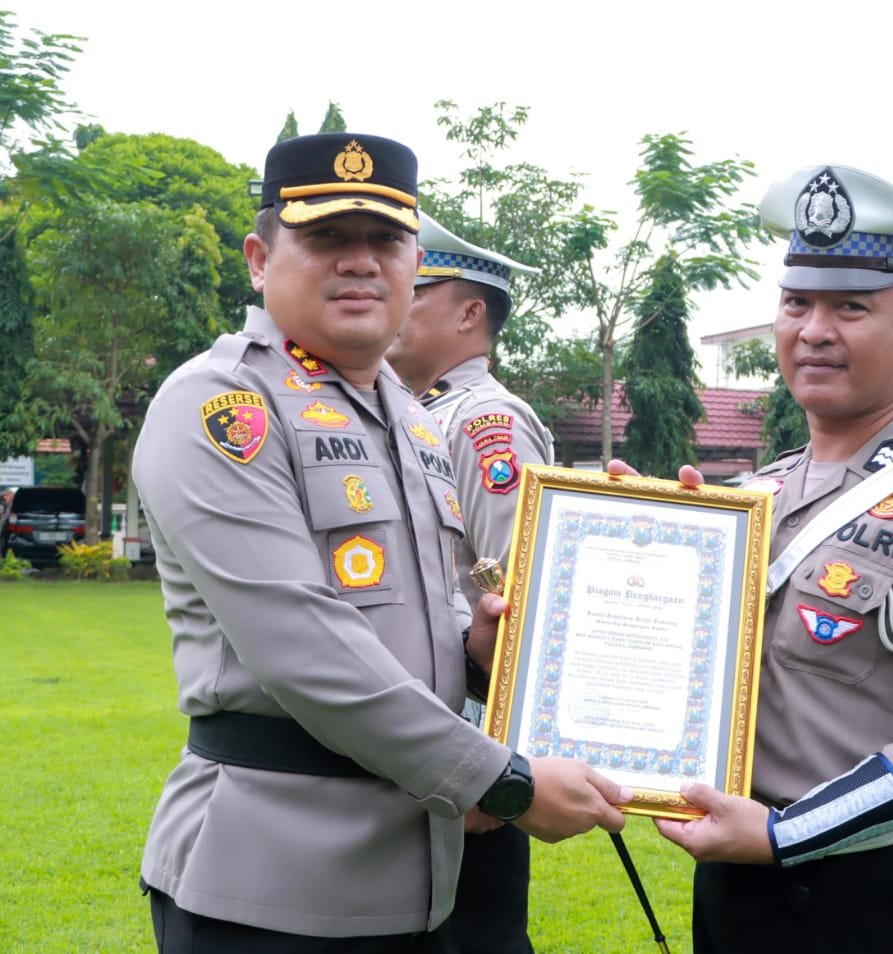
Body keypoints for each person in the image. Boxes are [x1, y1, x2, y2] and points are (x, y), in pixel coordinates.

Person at [132, 133, 627, 952]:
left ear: (413, 262)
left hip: (420, 879)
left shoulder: (411, 419)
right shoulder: (223, 404)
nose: (361, 261)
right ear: (260, 258)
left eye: (388, 240)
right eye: (327, 237)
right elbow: (302, 644)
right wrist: (503, 782)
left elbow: (414, 619)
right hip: (272, 886)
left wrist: (478, 647)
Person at [653, 163, 893, 952]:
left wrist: (788, 834)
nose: (814, 330)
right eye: (797, 302)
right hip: (733, 879)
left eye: (851, 306)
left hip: (855, 895)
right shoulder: (757, 490)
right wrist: (630, 539)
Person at [385, 214, 551, 954]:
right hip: (417, 752)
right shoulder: (411, 413)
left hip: (468, 772)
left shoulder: (487, 423)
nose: (393, 299)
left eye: (416, 289)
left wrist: (496, 770)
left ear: (469, 313)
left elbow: (516, 600)